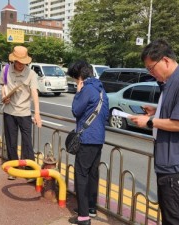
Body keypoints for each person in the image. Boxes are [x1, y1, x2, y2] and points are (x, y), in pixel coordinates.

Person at [129, 39, 179, 225]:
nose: (151, 73)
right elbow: (175, 112)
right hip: (170, 161)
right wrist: (155, 111)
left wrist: (149, 121)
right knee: (169, 213)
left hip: (178, 165)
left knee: (176, 217)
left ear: (165, 60)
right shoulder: (170, 82)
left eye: (151, 68)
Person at [67, 60, 109, 225]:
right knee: (93, 174)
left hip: (86, 139)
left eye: (75, 79)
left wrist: (78, 92)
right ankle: (91, 207)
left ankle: (83, 216)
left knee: (81, 175)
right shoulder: (101, 90)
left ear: (79, 77)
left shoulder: (86, 89)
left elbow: (76, 110)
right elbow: (105, 115)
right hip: (98, 138)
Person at [0, 46, 42, 180]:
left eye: (23, 62)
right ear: (13, 60)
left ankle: (30, 171)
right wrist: (4, 97)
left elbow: (34, 93)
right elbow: (4, 86)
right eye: (18, 62)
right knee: (11, 141)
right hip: (9, 111)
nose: (21, 65)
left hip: (24, 112)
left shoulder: (31, 74)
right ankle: (13, 169)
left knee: (27, 142)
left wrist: (37, 113)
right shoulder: (6, 70)